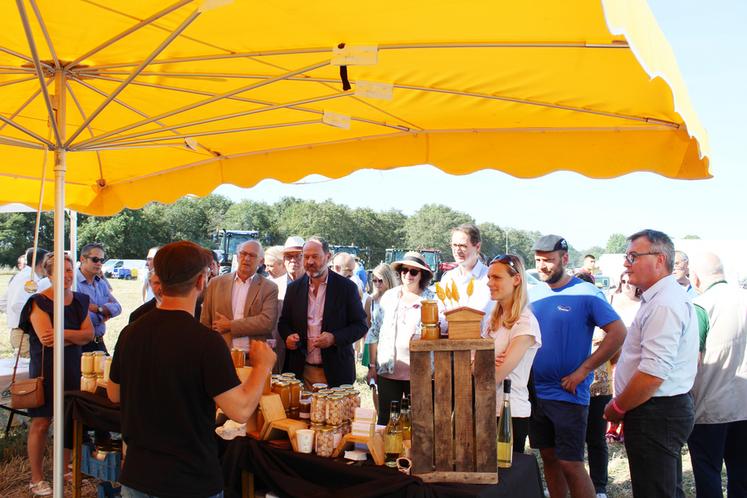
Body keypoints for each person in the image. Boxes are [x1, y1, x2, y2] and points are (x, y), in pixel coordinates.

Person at [108, 241, 276, 498]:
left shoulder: (131, 332)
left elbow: (114, 394)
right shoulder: (206, 342)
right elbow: (240, 410)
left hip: (138, 476)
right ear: (201, 281)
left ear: (159, 279)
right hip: (190, 480)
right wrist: (262, 367)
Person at [529, 234, 626, 498]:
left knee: (571, 462)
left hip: (568, 393)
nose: (543, 266)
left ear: (564, 258)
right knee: (548, 457)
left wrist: (584, 370)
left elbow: (618, 333)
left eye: (548, 260)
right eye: (538, 260)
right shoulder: (533, 293)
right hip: (536, 394)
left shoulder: (587, 293)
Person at [604, 229, 699, 498]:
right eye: (627, 256)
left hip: (655, 411)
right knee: (663, 488)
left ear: (659, 259)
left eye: (633, 256)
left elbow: (652, 374)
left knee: (655, 491)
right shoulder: (661, 298)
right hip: (655, 410)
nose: (626, 263)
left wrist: (618, 406)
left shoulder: (664, 303)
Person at [20, 252, 94, 496]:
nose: (67, 276)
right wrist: (74, 335)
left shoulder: (81, 300)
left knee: (69, 419)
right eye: (60, 272)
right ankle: (36, 477)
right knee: (41, 422)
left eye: (70, 270)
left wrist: (63, 333)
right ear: (49, 275)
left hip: (73, 367)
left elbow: (89, 335)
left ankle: (64, 470)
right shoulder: (37, 302)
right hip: (46, 368)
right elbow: (46, 338)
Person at [687, 252, 747, 498]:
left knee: (707, 472)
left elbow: (692, 359)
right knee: (742, 474)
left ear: (696, 278)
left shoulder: (700, 305)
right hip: (744, 405)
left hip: (709, 406)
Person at [278, 236, 368, 388]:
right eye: (306, 257)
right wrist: (288, 336)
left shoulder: (346, 288)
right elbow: (284, 322)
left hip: (335, 373)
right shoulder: (294, 289)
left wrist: (334, 338)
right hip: (301, 372)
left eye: (315, 256)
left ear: (328, 257)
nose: (310, 262)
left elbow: (360, 326)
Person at [366, 252, 442, 424]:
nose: (408, 275)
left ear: (422, 275)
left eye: (414, 272)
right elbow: (374, 331)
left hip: (419, 374)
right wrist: (372, 366)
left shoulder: (432, 300)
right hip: (387, 371)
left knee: (418, 424)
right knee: (386, 422)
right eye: (404, 271)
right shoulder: (389, 296)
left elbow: (439, 336)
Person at [484, 254, 541, 453]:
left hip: (510, 413)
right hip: (486, 409)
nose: (490, 283)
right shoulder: (493, 322)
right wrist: (489, 362)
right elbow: (474, 366)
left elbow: (496, 375)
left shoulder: (525, 323)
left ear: (516, 280)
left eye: (497, 277)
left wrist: (486, 363)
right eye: (489, 277)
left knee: (505, 477)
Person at [200, 240, 279, 353]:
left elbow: (267, 322)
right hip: (221, 355)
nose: (246, 258)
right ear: (237, 257)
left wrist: (230, 325)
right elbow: (205, 322)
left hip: (253, 359)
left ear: (261, 261)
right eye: (243, 254)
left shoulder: (269, 287)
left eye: (252, 255)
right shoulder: (215, 283)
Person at [439, 223, 493, 326]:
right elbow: (440, 315)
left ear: (477, 247)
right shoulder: (447, 279)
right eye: (454, 245)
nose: (457, 250)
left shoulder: (490, 278)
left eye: (463, 246)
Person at [76, 243, 121, 353]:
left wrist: (98, 309)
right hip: (80, 345)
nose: (99, 263)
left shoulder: (101, 284)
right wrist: (104, 315)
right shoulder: (74, 284)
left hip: (99, 342)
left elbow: (118, 308)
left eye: (102, 260)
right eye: (95, 259)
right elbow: (80, 317)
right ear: (82, 259)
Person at [5, 247, 50, 357]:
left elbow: (4, 302)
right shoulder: (30, 279)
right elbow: (18, 304)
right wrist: (37, 320)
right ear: (41, 263)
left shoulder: (21, 276)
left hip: (20, 332)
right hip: (25, 334)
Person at [361, 263, 399, 367]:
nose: (377, 283)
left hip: (393, 345)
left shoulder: (397, 297)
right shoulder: (370, 300)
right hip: (375, 344)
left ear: (388, 279)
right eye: (374, 280)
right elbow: (368, 325)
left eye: (380, 280)